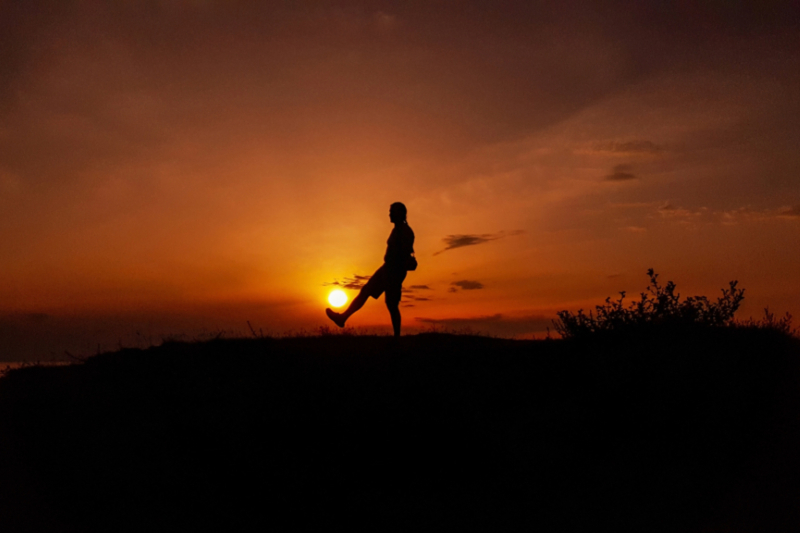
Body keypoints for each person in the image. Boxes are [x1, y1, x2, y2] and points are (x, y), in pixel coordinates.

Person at [326, 202, 415, 337]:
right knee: (366, 291)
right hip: (387, 268)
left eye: (392, 211)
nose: (389, 214)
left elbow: (404, 253)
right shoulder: (396, 229)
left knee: (391, 305)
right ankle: (342, 318)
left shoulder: (405, 231)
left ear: (400, 213)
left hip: (394, 271)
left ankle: (397, 337)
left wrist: (396, 268)